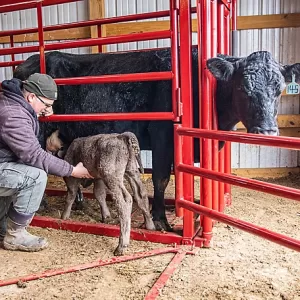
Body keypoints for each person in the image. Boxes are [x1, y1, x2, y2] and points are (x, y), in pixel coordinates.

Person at [0, 73, 93, 252]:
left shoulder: (15, 102)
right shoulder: (12, 115)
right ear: (32, 96)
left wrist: (40, 110)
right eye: (47, 105)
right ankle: (16, 235)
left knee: (17, 172)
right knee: (35, 177)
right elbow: (34, 154)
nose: (48, 109)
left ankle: (2, 229)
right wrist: (72, 170)